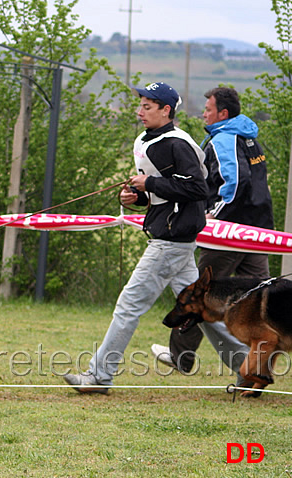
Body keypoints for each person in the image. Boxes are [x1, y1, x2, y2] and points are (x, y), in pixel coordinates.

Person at [63, 82, 249, 394]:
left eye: (148, 107)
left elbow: (197, 191)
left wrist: (149, 182)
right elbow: (165, 195)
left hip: (170, 243)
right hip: (173, 241)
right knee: (202, 309)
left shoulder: (177, 143)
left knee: (128, 306)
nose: (140, 111)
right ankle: (250, 368)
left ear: (166, 110)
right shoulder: (147, 141)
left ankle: (98, 377)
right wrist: (136, 197)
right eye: (141, 105)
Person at [151, 87, 274, 376]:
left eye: (208, 109)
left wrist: (211, 215)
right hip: (257, 231)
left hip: (230, 232)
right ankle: (259, 367)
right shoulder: (249, 138)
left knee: (199, 292)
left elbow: (234, 182)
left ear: (223, 114)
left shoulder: (224, 138)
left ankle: (180, 356)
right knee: (259, 300)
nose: (203, 113)